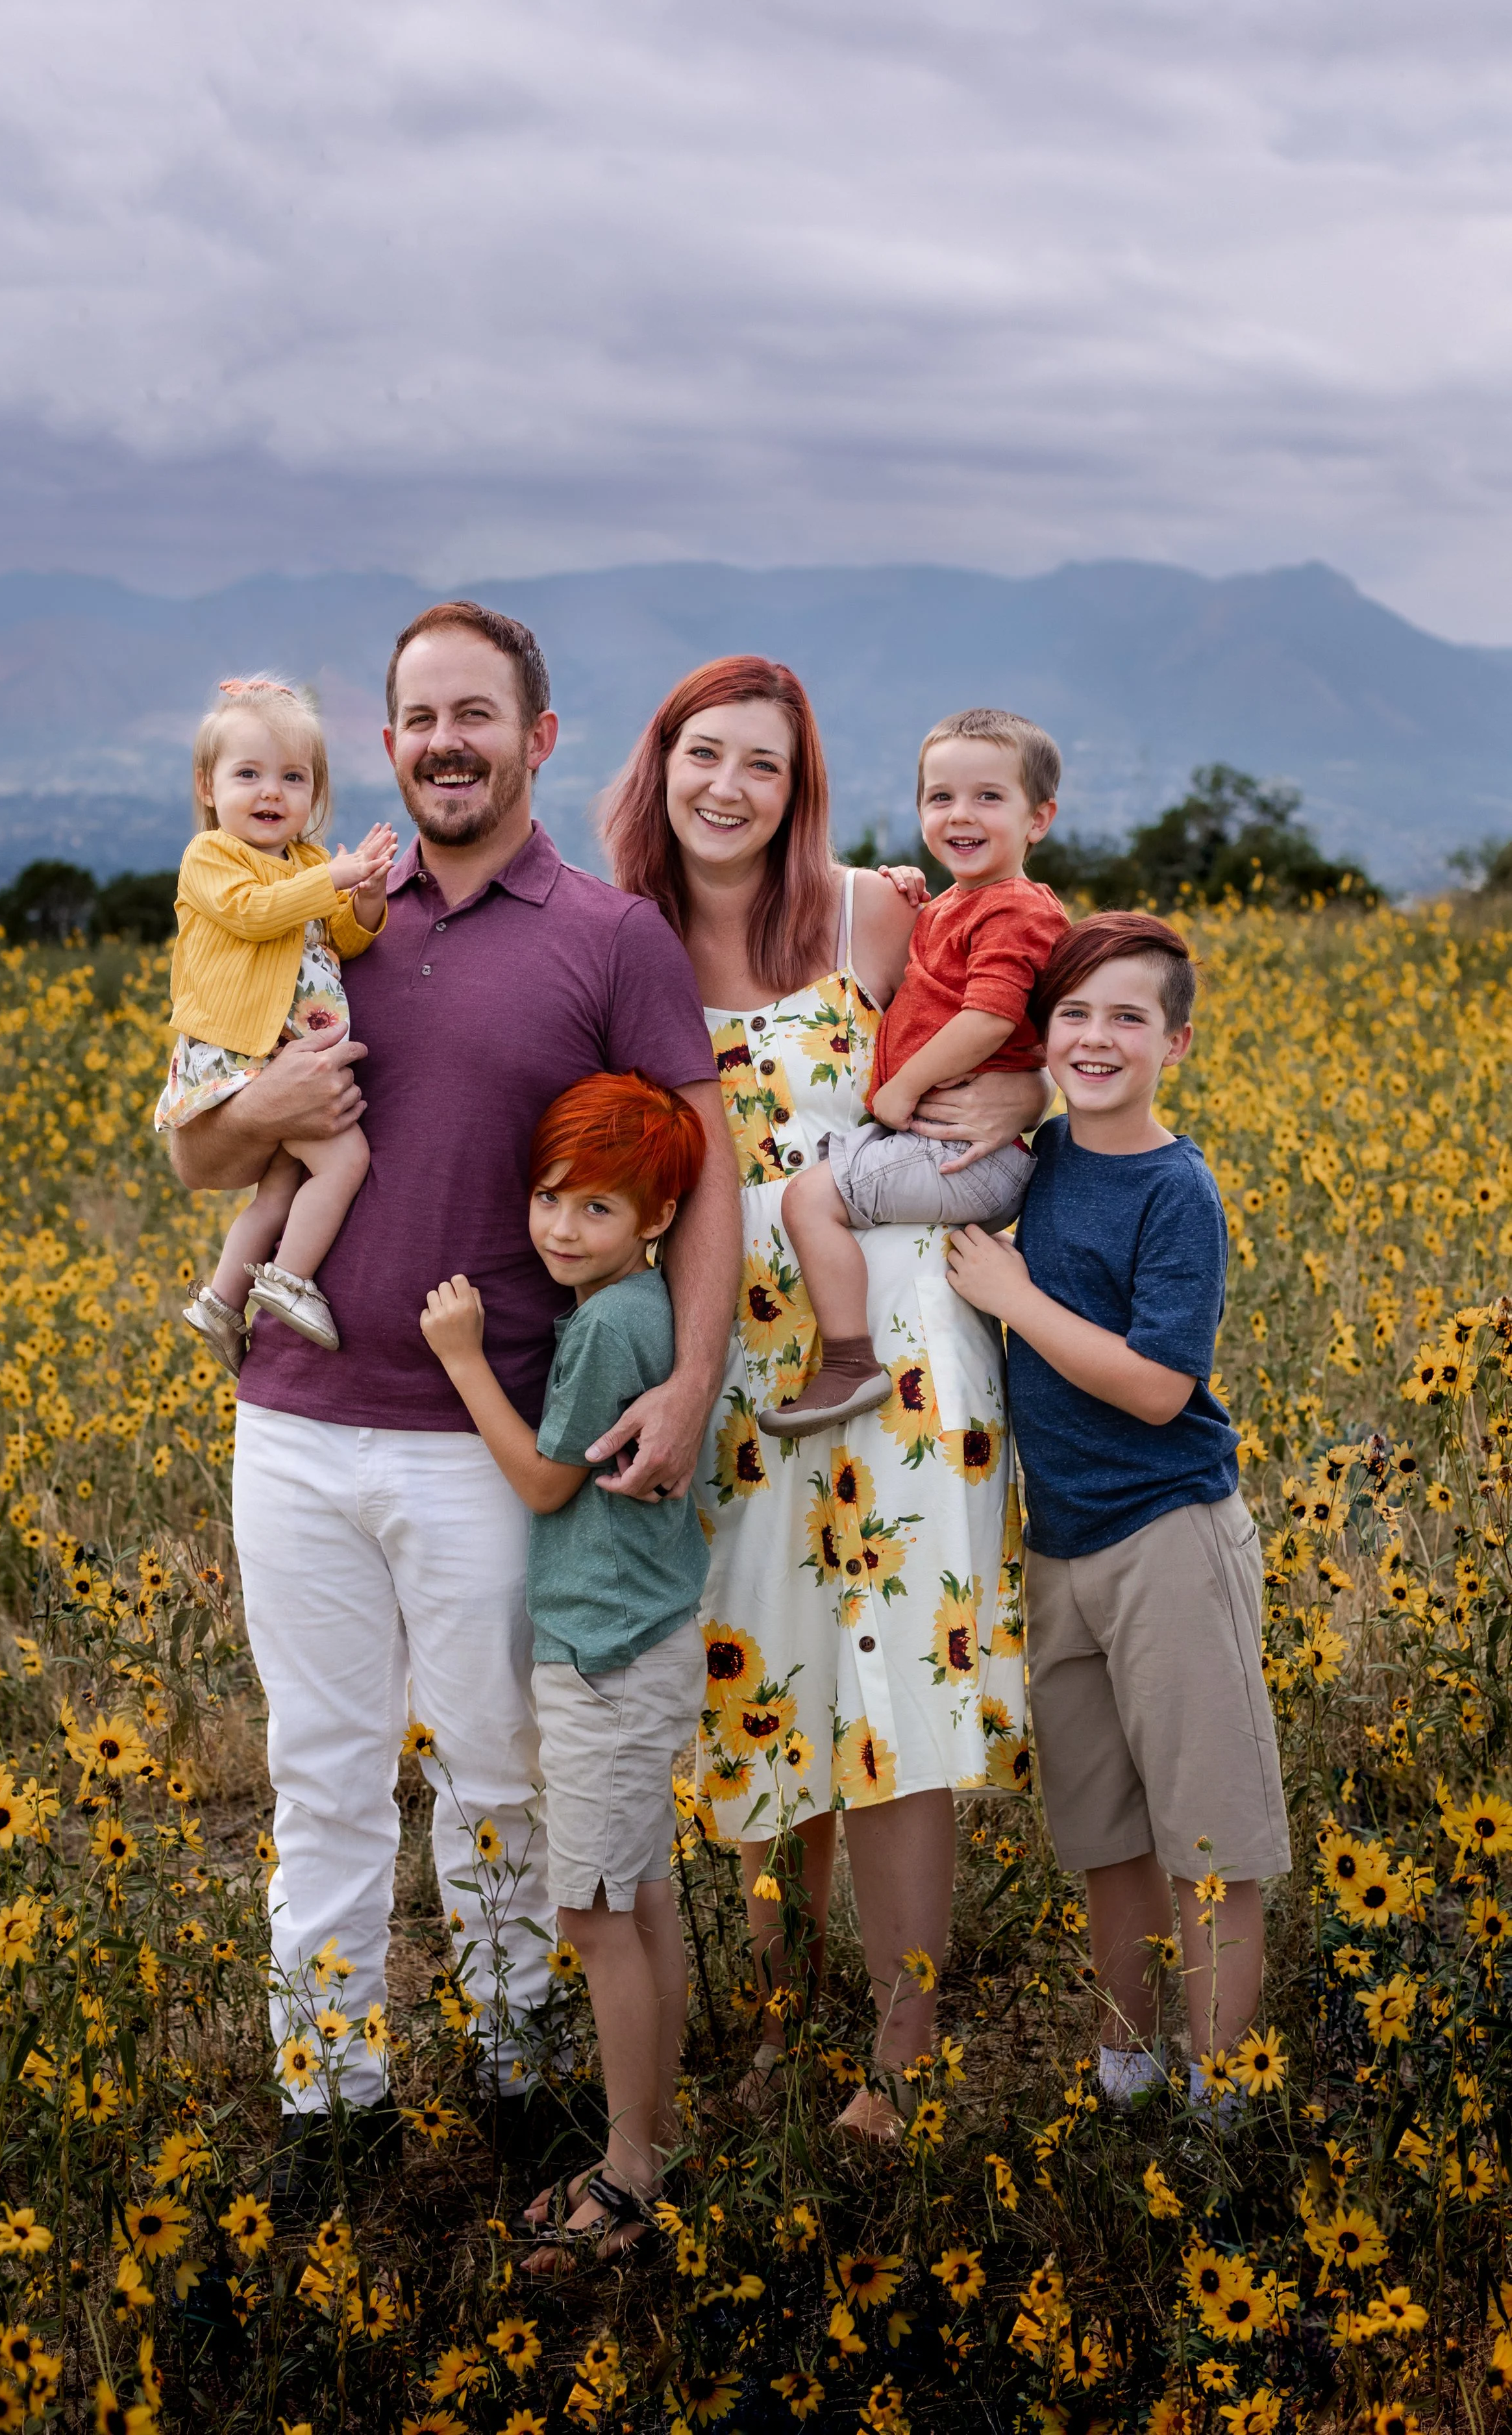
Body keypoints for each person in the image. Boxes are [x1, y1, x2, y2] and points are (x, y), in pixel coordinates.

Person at [166, 603, 738, 2205]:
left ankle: (517, 2070)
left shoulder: (611, 933)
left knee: (497, 1766)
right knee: (322, 1768)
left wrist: (695, 1377)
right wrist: (252, 1110)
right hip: (289, 1416)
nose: (444, 742)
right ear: (391, 739)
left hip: (491, 1437)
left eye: (475, 714)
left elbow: (705, 1176)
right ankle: (327, 2095)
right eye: (418, 717)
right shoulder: (324, 914)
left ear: (538, 737)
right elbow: (198, 1148)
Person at [602, 656, 1047, 2139]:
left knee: (892, 1679)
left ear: (803, 793)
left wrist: (1024, 1101)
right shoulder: (617, 945)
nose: (730, 787)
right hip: (724, 1353)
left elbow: (1030, 1005)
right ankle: (785, 1986)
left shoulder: (866, 910)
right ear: (658, 766)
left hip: (896, 1344)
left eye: (767, 766)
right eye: (704, 755)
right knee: (768, 1658)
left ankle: (904, 2043)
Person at [944, 910, 1291, 2121]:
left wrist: (1015, 1296)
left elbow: (1159, 1386)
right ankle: (1126, 2064)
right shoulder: (1037, 1156)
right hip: (1062, 1546)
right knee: (1105, 1834)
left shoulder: (1174, 1188)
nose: (1095, 1038)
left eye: (1127, 1018)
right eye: (1074, 1014)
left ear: (1176, 1043)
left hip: (1168, 1537)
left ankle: (1219, 2100)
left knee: (1212, 1836)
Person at [421, 1071, 710, 2268]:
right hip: (644, 1640)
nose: (559, 1227)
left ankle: (631, 2174)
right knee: (639, 1900)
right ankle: (659, 2136)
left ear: (656, 1221)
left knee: (593, 1916)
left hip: (601, 1656)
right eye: (550, 1198)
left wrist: (462, 1359)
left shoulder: (606, 1327)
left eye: (598, 1207)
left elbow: (548, 1484)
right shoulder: (649, 1313)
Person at [762, 708, 1069, 1434]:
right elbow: (942, 981)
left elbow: (991, 1017)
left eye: (988, 797)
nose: (960, 814)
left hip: (960, 1153)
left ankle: (847, 1365)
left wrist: (899, 1088)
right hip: (953, 1152)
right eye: (940, 798)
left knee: (810, 1201)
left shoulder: (1017, 909)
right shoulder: (961, 905)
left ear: (1039, 819)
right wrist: (912, 888)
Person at [156, 677, 397, 1371]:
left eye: (293, 777)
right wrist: (336, 878)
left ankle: (223, 1299)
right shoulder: (212, 859)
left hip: (283, 1052)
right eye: (248, 774)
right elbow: (255, 913)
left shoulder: (310, 864)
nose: (271, 793)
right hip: (243, 1053)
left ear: (315, 793)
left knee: (285, 1184)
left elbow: (341, 943)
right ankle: (289, 1281)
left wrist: (367, 899)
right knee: (345, 1160)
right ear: (208, 786)